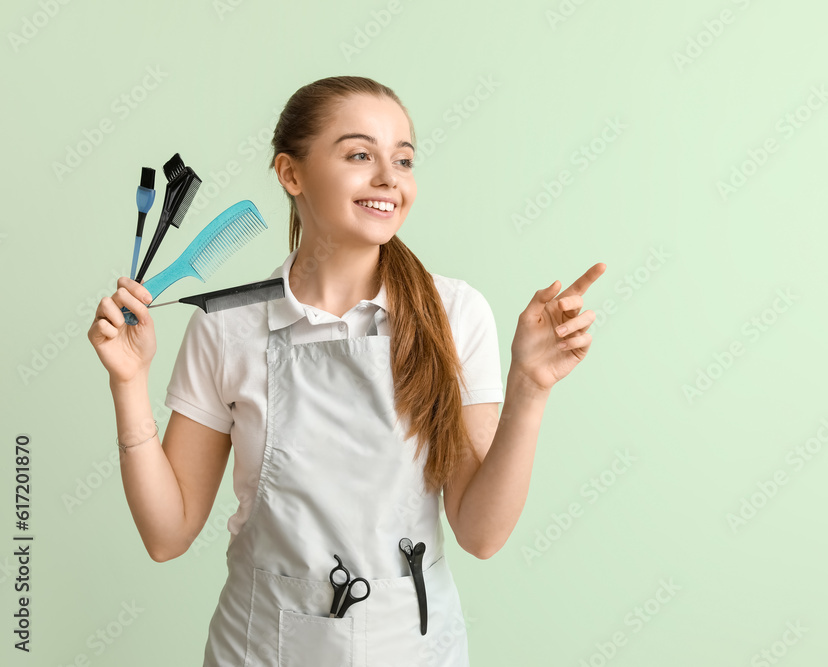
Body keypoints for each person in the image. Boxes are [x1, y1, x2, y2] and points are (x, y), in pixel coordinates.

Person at [88, 75, 605, 666]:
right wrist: (128, 383)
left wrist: (530, 388)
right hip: (258, 650)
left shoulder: (455, 314)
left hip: (411, 649)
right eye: (360, 154)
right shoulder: (225, 326)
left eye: (403, 159)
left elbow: (481, 535)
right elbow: (167, 534)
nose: (389, 178)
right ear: (291, 174)